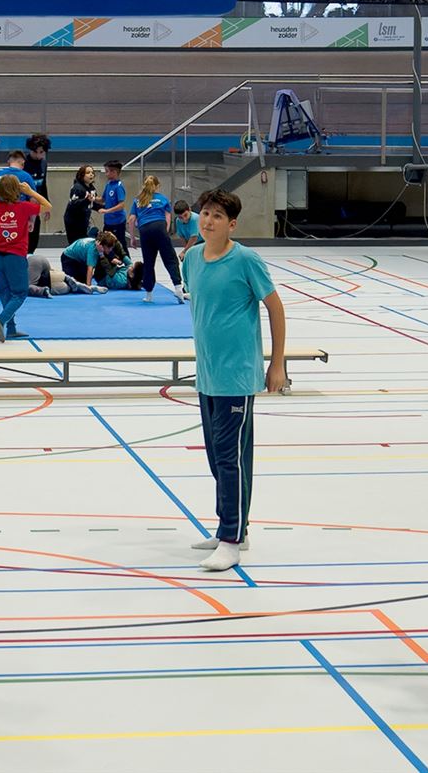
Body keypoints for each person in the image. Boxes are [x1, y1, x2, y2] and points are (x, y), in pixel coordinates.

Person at [182, 188, 287, 573]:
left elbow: (275, 308)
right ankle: (233, 528)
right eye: (205, 214)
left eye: (217, 216)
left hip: (237, 376)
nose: (208, 221)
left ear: (232, 224)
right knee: (217, 457)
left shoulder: (246, 260)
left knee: (230, 459)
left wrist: (277, 364)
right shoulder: (192, 259)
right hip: (208, 374)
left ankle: (231, 539)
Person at [0, 175, 52, 342]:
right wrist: (30, 191)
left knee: (5, 292)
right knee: (20, 293)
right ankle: (2, 319)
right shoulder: (24, 207)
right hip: (16, 256)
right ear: (17, 190)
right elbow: (48, 206)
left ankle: (11, 328)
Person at [128, 175, 185, 303]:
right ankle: (178, 288)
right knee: (170, 258)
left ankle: (148, 294)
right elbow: (168, 218)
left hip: (144, 230)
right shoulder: (163, 199)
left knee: (148, 262)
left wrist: (132, 238)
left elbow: (131, 220)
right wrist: (165, 232)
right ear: (158, 186)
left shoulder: (138, 200)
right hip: (159, 227)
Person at [24, 133, 52, 251]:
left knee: (34, 239)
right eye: (36, 152)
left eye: (42, 152)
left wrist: (46, 204)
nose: (39, 155)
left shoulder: (44, 163)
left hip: (35, 207)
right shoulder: (24, 163)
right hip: (23, 206)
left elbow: (43, 185)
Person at [64, 164, 100, 247]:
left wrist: (101, 208)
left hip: (84, 219)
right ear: (82, 175)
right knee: (76, 244)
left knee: (84, 242)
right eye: (88, 173)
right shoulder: (77, 188)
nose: (91, 174)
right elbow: (74, 204)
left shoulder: (91, 188)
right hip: (73, 221)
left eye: (92, 172)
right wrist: (86, 200)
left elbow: (92, 203)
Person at [100, 159, 128, 246]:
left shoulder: (118, 187)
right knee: (106, 244)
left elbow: (121, 205)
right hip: (108, 221)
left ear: (114, 172)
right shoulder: (108, 184)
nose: (106, 174)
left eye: (107, 171)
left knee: (119, 245)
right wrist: (92, 198)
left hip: (118, 222)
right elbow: (102, 199)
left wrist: (107, 211)